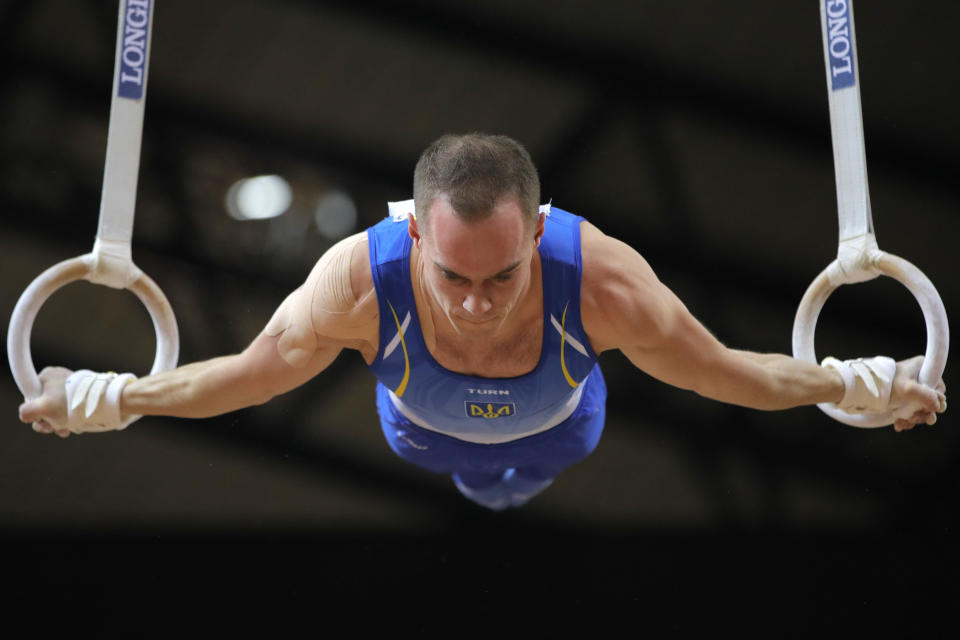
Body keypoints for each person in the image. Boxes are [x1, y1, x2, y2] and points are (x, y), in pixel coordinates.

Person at [17, 133, 948, 511]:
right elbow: (246, 376)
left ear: (541, 231)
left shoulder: (604, 285)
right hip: (419, 433)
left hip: (563, 430)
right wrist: (109, 395)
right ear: (412, 229)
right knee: (467, 474)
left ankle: (510, 478)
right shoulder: (355, 281)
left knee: (524, 470)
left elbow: (729, 375)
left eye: (503, 273)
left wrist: (866, 383)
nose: (472, 301)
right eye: (451, 274)